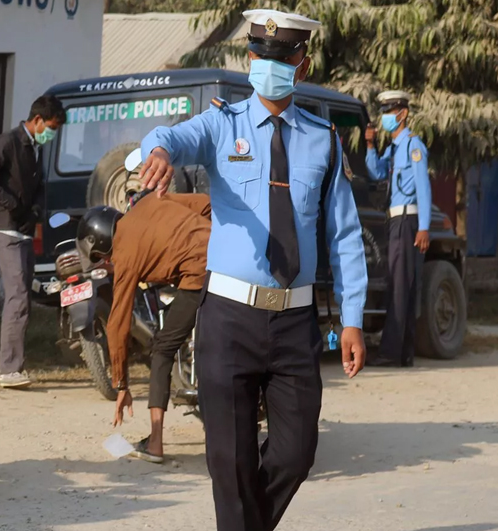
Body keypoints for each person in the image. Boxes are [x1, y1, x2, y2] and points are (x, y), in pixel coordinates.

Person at [136, 9, 368, 531]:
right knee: (231, 462)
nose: (269, 65)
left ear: (300, 65)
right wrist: (157, 152)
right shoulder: (222, 124)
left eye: (281, 57)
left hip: (295, 322)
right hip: (228, 318)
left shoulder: (322, 139)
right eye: (261, 56)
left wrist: (351, 318)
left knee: (296, 452)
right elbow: (170, 138)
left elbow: (345, 234)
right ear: (249, 59)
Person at [78, 192, 212, 464]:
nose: (107, 264)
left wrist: (122, 384)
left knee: (161, 350)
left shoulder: (125, 251)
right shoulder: (150, 201)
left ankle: (155, 443)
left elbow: (117, 324)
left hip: (199, 274)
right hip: (230, 261)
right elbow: (207, 204)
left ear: (103, 242)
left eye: (102, 258)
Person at [0, 95, 66, 389]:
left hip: (24, 232)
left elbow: (38, 187)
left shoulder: (35, 148)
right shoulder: (10, 142)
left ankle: (15, 366)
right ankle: (8, 370)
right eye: (51, 126)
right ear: (38, 120)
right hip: (7, 232)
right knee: (18, 297)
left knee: (25, 295)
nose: (52, 133)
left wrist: (37, 208)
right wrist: (11, 204)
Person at [365, 90, 432, 367]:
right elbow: (376, 172)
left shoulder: (413, 146)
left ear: (402, 114)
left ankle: (391, 352)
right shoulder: (393, 149)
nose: (385, 118)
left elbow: (423, 188)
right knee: (403, 285)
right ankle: (404, 352)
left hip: (407, 220)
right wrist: (370, 146)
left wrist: (424, 227)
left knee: (399, 285)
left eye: (389, 112)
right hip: (395, 220)